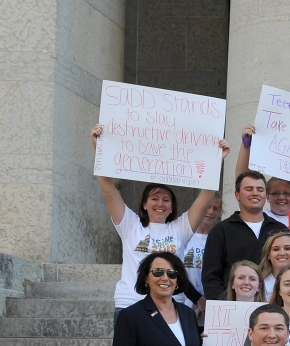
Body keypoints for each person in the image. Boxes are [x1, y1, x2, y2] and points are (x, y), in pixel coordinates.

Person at [91, 126, 228, 318]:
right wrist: (100, 149)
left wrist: (215, 160)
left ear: (172, 207)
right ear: (144, 204)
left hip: (170, 306)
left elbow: (205, 197)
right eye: (154, 199)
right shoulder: (130, 225)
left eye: (166, 200)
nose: (160, 204)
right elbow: (108, 189)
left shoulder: (180, 228)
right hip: (131, 304)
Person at [202, 170, 289, 301]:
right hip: (233, 309)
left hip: (274, 308)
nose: (255, 193)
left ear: (266, 195)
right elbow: (211, 277)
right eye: (249, 189)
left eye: (260, 189)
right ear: (237, 195)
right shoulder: (221, 230)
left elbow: (289, 270)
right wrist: (225, 308)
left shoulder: (280, 230)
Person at [233, 125, 290, 226]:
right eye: (275, 193)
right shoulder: (260, 215)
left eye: (287, 193)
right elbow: (243, 178)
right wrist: (246, 144)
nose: (281, 197)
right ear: (267, 196)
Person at [182, 194, 222, 320]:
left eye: (215, 208)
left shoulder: (220, 238)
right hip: (182, 303)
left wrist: (206, 302)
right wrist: (197, 299)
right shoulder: (184, 235)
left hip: (209, 308)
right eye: (207, 207)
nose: (210, 212)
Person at [257, 231, 290, 300]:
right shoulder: (258, 284)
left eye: (287, 248)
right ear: (268, 255)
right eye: (276, 249)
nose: (282, 253)